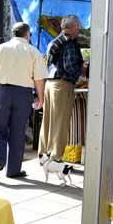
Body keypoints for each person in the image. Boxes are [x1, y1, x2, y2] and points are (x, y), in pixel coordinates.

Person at [0, 22, 46, 179]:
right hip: (23, 94)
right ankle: (13, 170)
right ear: (27, 34)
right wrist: (40, 98)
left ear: (13, 33)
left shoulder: (1, 49)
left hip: (2, 92)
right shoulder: (33, 51)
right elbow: (39, 80)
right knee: (18, 132)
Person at [38, 15, 84, 161]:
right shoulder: (69, 43)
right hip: (62, 85)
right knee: (60, 122)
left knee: (48, 120)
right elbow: (70, 66)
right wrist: (81, 70)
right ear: (73, 27)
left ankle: (43, 153)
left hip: (49, 84)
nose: (79, 29)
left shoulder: (55, 41)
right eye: (78, 26)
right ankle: (56, 156)